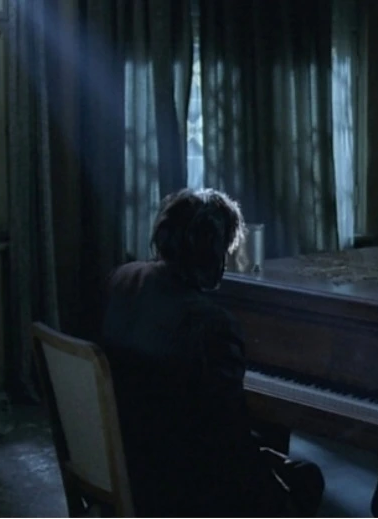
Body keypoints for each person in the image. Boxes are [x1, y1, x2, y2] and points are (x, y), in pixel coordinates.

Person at [101, 188, 324, 517]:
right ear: (213, 252)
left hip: (125, 462)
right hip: (179, 491)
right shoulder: (211, 325)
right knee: (307, 479)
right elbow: (229, 441)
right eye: (224, 250)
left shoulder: (121, 279)